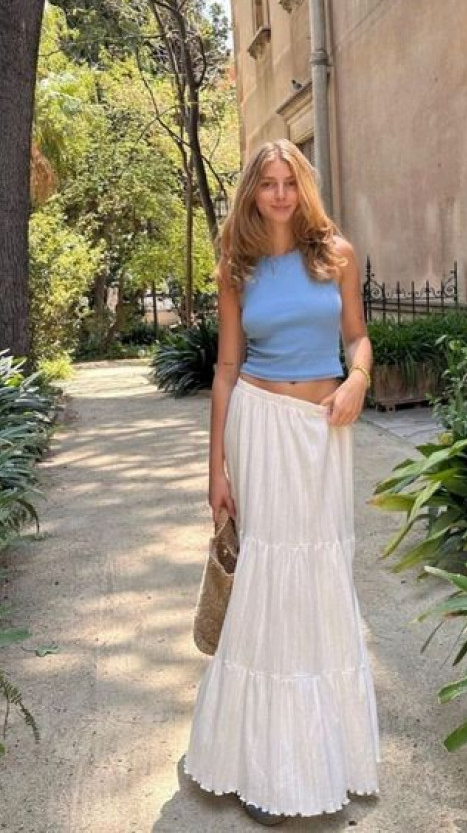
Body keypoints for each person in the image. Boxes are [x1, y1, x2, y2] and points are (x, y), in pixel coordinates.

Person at [183, 139, 380, 825]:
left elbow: (357, 337)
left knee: (321, 571)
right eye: (266, 183)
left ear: (304, 187)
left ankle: (325, 752)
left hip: (323, 428)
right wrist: (217, 471)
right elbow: (225, 369)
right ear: (251, 191)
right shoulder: (235, 268)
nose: (278, 194)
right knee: (267, 573)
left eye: (288, 181)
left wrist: (358, 378)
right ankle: (253, 756)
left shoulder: (336, 255)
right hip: (259, 424)